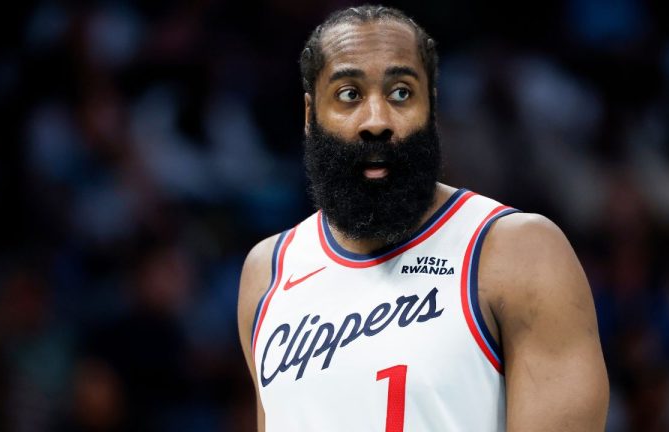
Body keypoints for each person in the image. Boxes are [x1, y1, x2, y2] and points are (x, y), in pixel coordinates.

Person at [237, 5, 609, 431]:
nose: (376, 121)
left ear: (431, 110)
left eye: (400, 93)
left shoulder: (516, 251)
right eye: (348, 95)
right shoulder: (267, 271)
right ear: (310, 116)